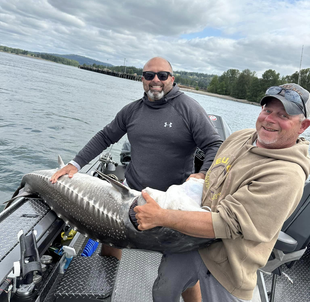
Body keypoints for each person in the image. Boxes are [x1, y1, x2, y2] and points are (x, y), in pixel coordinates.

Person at [51, 56, 223, 301]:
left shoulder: (188, 108)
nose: (155, 80)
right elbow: (104, 136)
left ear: (172, 79)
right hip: (131, 196)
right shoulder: (132, 110)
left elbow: (215, 145)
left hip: (172, 204)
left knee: (182, 274)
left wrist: (203, 173)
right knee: (109, 245)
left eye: (162, 75)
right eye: (149, 75)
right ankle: (103, 288)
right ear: (142, 79)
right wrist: (75, 164)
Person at [134, 83, 310, 302]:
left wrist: (162, 217)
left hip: (229, 267)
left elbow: (226, 224)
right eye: (267, 110)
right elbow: (217, 176)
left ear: (303, 126)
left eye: (283, 115)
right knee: (163, 291)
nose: (270, 119)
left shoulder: (286, 175)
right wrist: (203, 176)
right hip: (191, 240)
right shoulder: (239, 137)